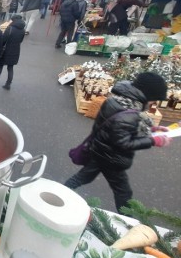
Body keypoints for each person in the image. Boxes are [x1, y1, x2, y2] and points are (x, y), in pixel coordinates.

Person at [64, 72, 172, 212]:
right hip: (111, 158)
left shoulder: (117, 101)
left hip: (99, 150)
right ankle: (127, 218)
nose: (153, 104)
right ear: (147, 96)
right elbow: (124, 142)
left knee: (81, 178)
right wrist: (153, 140)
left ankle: (59, 193)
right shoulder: (129, 114)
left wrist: (153, 129)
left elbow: (119, 129)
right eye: (153, 101)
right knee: (123, 192)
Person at [0, 14, 25, 90]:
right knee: (10, 67)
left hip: (6, 50)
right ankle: (8, 84)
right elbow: (21, 40)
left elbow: (3, 40)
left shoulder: (10, 29)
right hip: (16, 50)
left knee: (0, 65)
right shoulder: (23, 30)